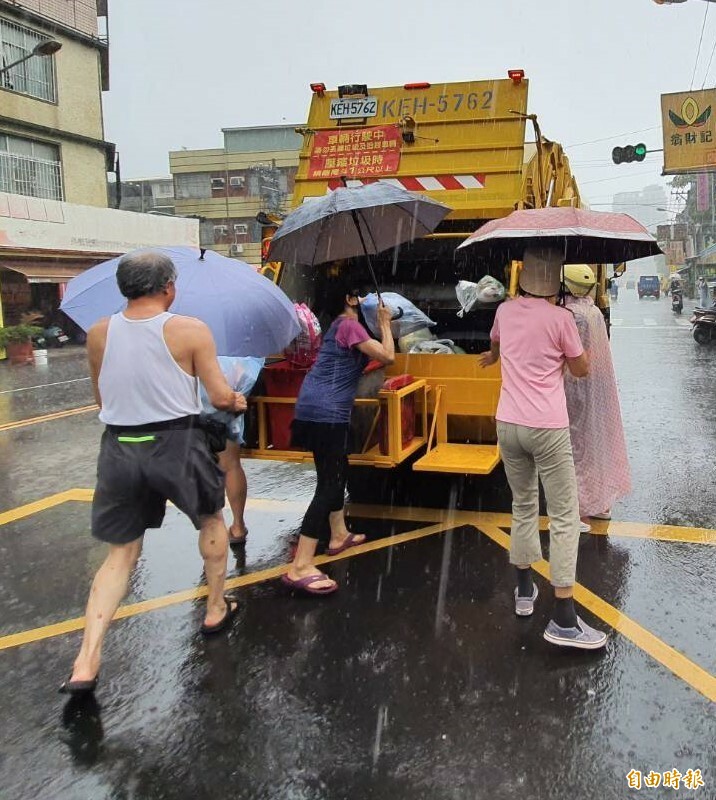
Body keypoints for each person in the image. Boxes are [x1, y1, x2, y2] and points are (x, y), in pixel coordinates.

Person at [60, 250, 247, 695]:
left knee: (120, 554)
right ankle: (216, 607)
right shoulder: (190, 330)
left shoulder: (100, 333)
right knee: (210, 520)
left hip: (120, 448)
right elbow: (220, 397)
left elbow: (102, 399)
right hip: (177, 444)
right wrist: (236, 401)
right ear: (168, 287)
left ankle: (86, 661)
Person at [478, 246, 607, 650]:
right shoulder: (561, 318)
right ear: (556, 284)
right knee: (566, 516)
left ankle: (523, 591)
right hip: (547, 427)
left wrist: (498, 356)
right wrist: (568, 353)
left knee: (522, 505)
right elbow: (582, 369)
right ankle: (564, 619)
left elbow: (496, 350)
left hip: (508, 424)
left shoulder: (504, 311)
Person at [283, 284, 395, 595]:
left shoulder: (340, 328)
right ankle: (301, 565)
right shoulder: (348, 326)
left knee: (336, 471)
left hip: (314, 407)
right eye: (360, 294)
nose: (365, 300)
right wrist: (385, 324)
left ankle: (338, 534)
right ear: (348, 299)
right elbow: (387, 356)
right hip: (326, 412)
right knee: (329, 485)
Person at [562, 265, 632, 529]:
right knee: (594, 444)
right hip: (596, 387)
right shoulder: (593, 311)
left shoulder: (570, 315)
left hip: (575, 386)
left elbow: (571, 357)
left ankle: (580, 512)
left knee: (574, 447)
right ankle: (602, 505)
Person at [200, 356, 264, 545]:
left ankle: (211, 526)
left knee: (201, 467)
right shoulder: (241, 350)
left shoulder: (192, 334)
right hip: (227, 403)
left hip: (194, 407)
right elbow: (246, 378)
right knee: (231, 466)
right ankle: (238, 525)